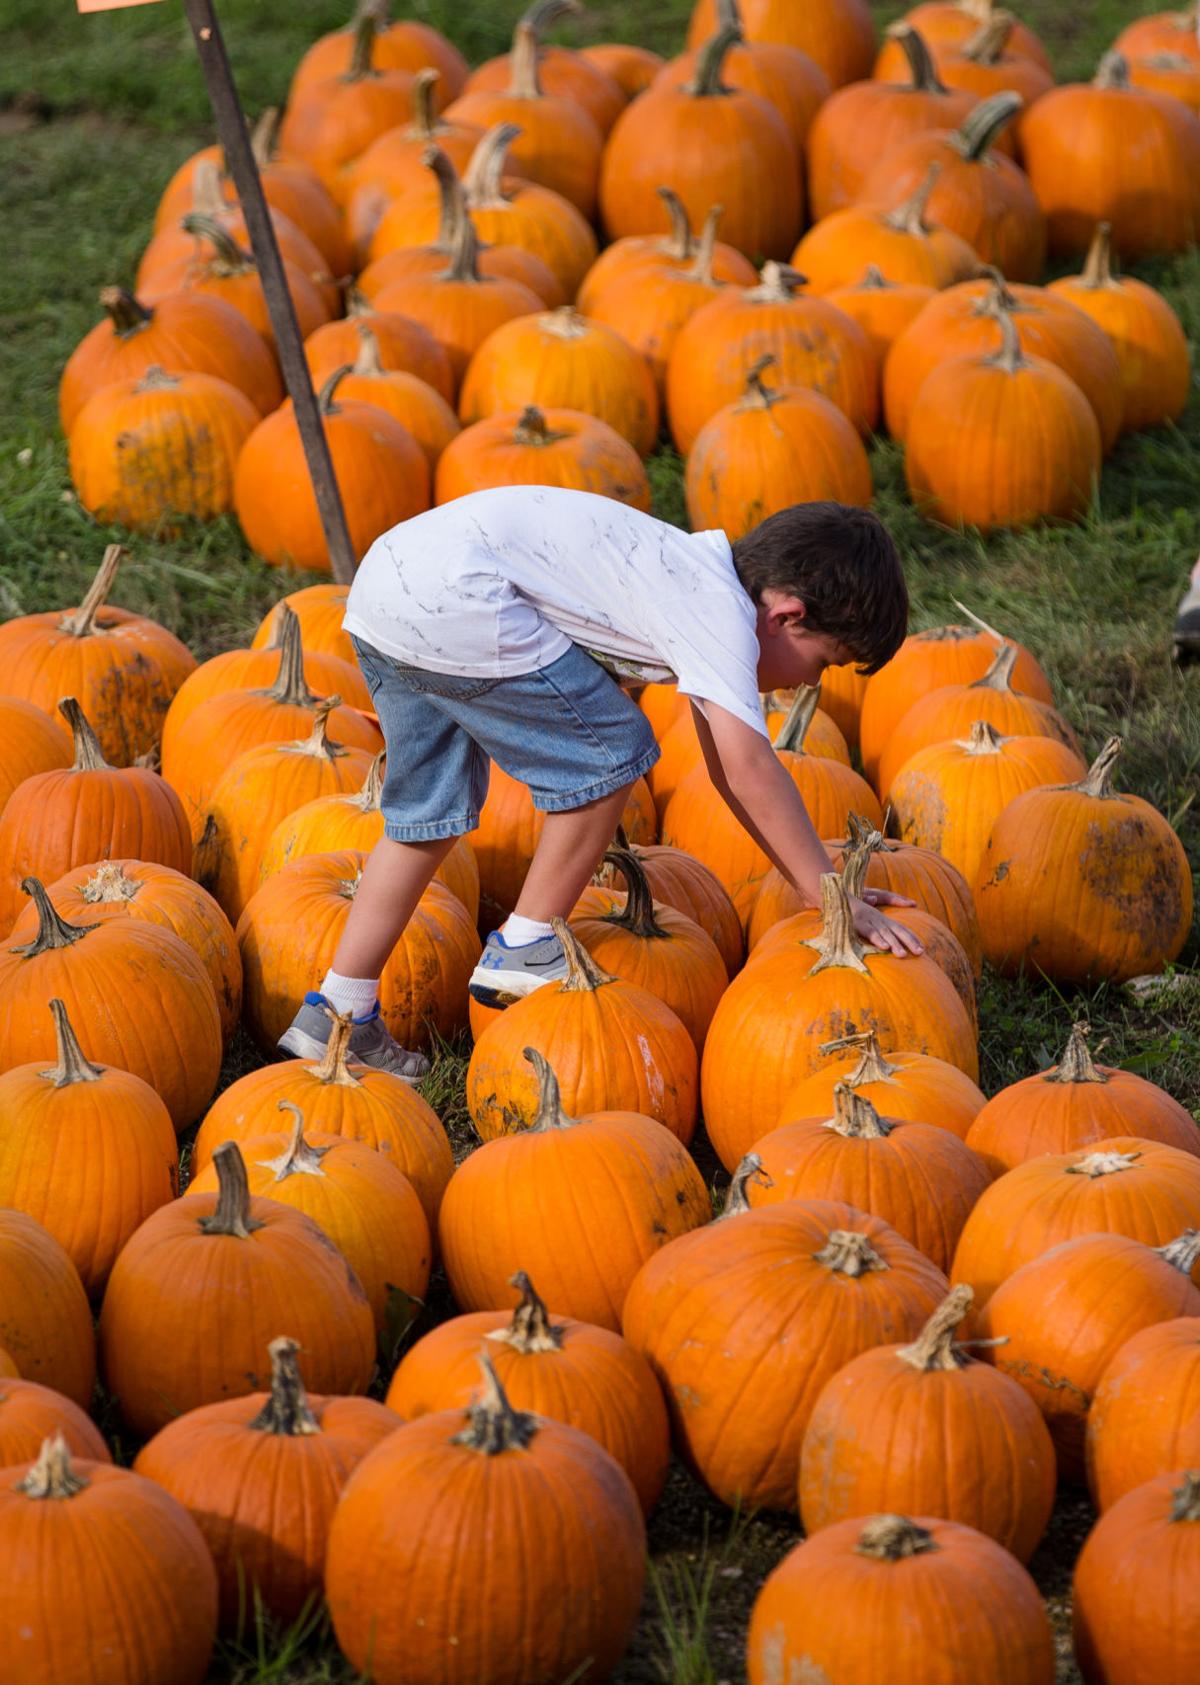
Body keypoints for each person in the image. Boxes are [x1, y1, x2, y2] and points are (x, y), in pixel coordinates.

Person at [278, 487, 920, 1079]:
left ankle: (340, 1011)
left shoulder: (683, 577)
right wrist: (832, 894)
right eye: (824, 663)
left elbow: (726, 771)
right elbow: (752, 767)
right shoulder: (718, 609)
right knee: (612, 751)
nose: (810, 685)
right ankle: (526, 943)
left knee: (425, 813)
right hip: (461, 595)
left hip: (388, 591)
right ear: (786, 616)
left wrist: (813, 889)